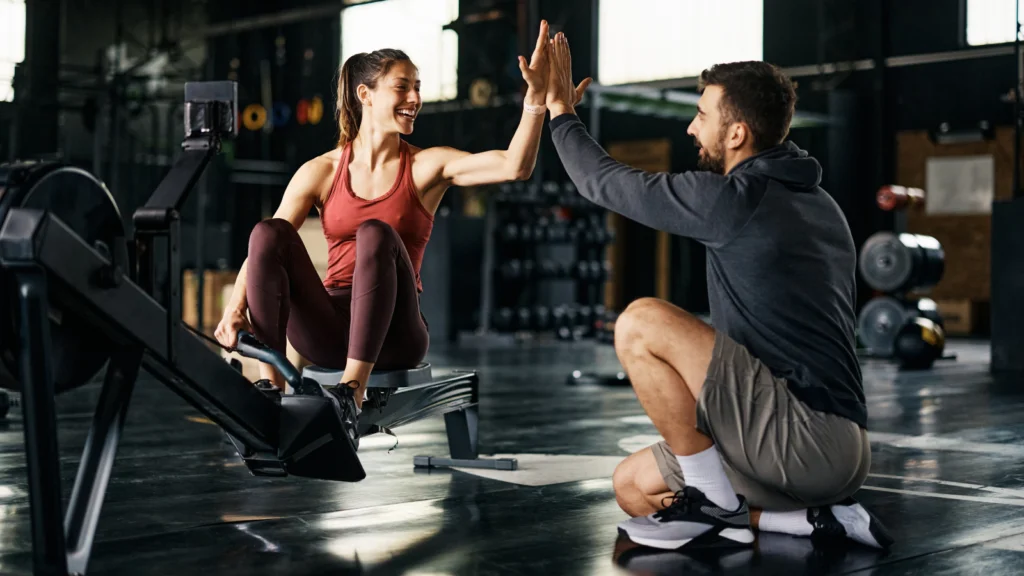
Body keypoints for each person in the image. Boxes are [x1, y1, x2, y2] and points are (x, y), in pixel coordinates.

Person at [544, 36, 893, 550]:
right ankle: (806, 522)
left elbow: (602, 182)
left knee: (640, 321)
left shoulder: (737, 199)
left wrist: (559, 111)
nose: (691, 127)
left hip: (802, 437)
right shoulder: (820, 202)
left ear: (736, 132)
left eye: (702, 115)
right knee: (633, 488)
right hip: (841, 447)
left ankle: (715, 503)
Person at [215, 21, 555, 447]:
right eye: (402, 87)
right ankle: (272, 390)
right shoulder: (321, 170)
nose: (415, 98)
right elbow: (263, 252)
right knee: (269, 231)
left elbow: (513, 166)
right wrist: (233, 309)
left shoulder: (427, 166)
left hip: (396, 332)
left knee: (375, 232)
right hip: (326, 331)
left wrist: (536, 100)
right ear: (366, 94)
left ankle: (350, 397)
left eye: (418, 87)